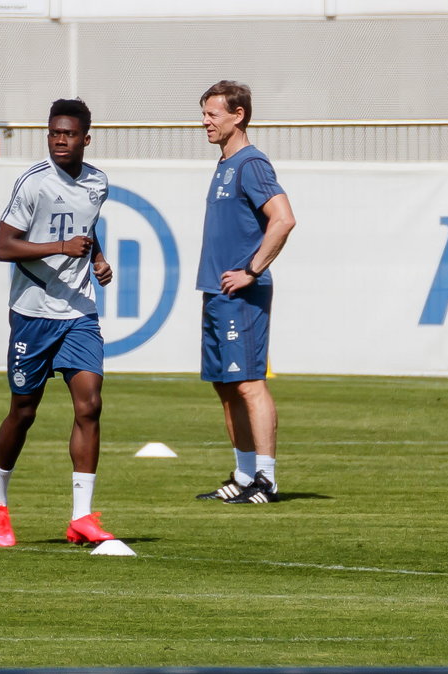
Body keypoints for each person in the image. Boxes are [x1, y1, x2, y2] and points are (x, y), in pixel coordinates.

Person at [0, 98, 117, 548]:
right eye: (54, 133)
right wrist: (60, 247)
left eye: (69, 134)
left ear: (85, 138)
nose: (60, 140)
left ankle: (81, 516)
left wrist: (97, 258)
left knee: (90, 405)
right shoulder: (33, 184)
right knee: (23, 412)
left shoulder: (98, 182)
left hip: (79, 311)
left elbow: (89, 226)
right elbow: (4, 246)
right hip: (32, 314)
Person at [193, 80, 296, 505]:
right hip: (216, 293)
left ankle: (266, 480)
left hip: (241, 295)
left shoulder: (252, 163)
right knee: (226, 385)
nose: (204, 122)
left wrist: (252, 271)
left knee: (250, 383)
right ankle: (243, 473)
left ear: (238, 115)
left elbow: (284, 219)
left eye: (212, 114)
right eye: (203, 114)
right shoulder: (225, 163)